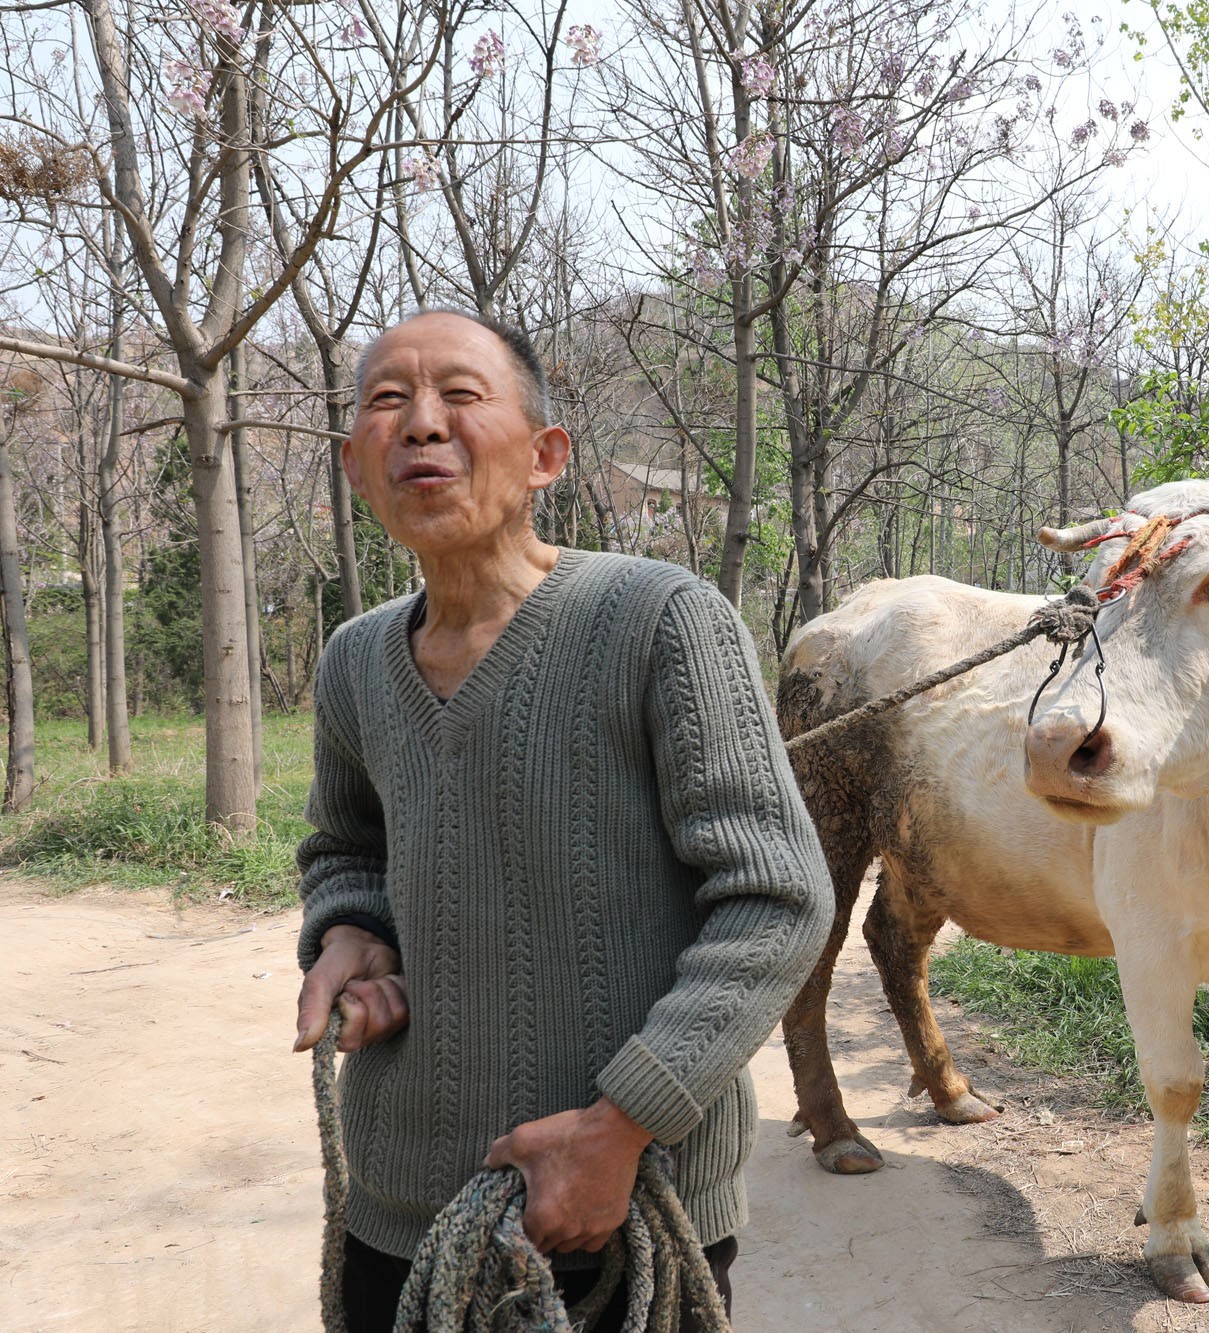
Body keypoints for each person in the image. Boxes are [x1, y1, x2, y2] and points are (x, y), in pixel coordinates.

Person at [291, 308, 833, 1329]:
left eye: (459, 396)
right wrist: (353, 937)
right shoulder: (354, 661)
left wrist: (620, 1125)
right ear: (356, 468)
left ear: (545, 456)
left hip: (624, 1200)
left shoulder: (661, 620)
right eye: (385, 403)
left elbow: (775, 899)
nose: (419, 425)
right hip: (400, 1203)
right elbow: (345, 849)